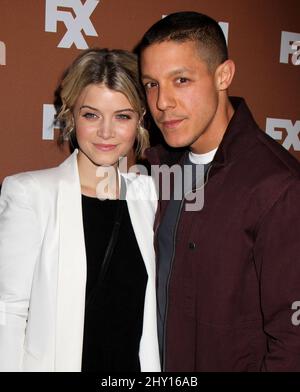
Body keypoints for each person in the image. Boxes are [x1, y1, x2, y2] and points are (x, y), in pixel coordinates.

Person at [137, 11, 300, 371]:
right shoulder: (158, 169)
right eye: (151, 84)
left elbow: (293, 344)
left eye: (181, 80)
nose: (163, 102)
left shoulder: (278, 186)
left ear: (223, 75)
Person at [0, 48, 160, 372]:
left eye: (122, 116)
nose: (106, 131)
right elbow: (8, 312)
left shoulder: (151, 197)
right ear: (71, 116)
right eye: (91, 115)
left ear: (140, 120)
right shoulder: (30, 195)